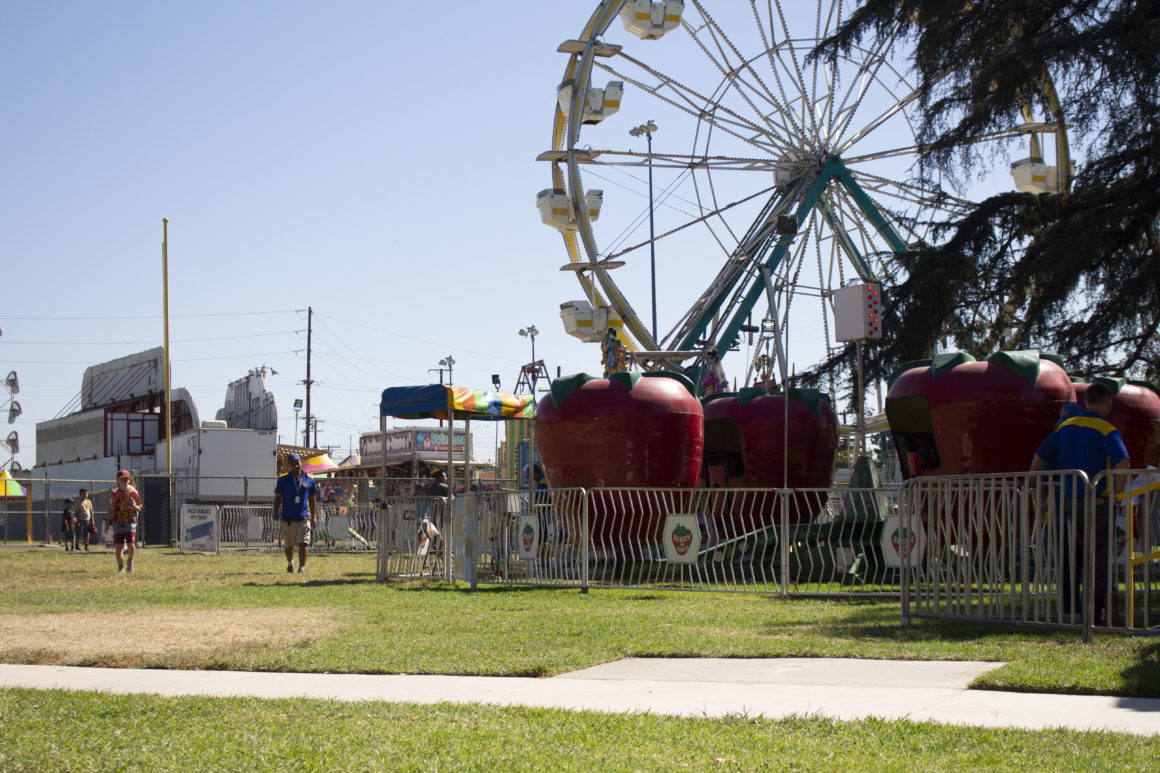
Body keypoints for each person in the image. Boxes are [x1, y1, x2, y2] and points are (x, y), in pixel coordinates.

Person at [1031, 382, 1130, 624]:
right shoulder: (1106, 429)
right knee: (1099, 559)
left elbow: (1039, 457)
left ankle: (1084, 607)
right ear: (1108, 403)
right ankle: (1094, 614)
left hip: (1067, 503)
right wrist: (1114, 493)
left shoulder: (1065, 427)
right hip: (1096, 501)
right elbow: (1123, 463)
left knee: (1076, 558)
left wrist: (1034, 483)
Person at [272, 453, 317, 574]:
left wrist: (314, 516)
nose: (296, 466)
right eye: (293, 464)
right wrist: (275, 512)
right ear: (289, 466)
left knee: (304, 542)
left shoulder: (309, 480)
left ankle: (301, 567)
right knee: (289, 545)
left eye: (297, 463)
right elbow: (278, 497)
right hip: (288, 518)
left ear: (301, 463)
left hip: (303, 517)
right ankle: (290, 562)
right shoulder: (283, 480)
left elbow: (312, 499)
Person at [107, 471, 143, 573]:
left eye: (126, 479)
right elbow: (111, 509)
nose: (124, 481)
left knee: (130, 544)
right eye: (121, 479)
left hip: (130, 521)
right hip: (118, 522)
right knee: (119, 545)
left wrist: (135, 506)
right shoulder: (115, 494)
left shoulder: (133, 492)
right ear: (118, 480)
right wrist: (107, 524)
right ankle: (120, 567)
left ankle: (130, 563)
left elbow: (140, 507)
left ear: (129, 480)